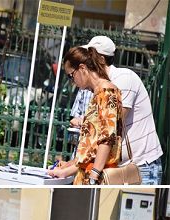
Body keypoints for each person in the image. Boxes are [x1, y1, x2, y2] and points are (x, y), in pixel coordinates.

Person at [70, 36, 163, 184]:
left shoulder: (122, 79)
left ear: (100, 59)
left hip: (141, 167)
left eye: (90, 55)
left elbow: (111, 126)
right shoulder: (99, 86)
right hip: (119, 167)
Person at [48, 46, 123, 185]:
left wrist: (94, 177)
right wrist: (68, 167)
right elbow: (92, 147)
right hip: (88, 173)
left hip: (95, 176)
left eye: (71, 75)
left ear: (82, 68)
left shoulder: (106, 92)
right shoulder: (100, 92)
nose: (72, 81)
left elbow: (107, 138)